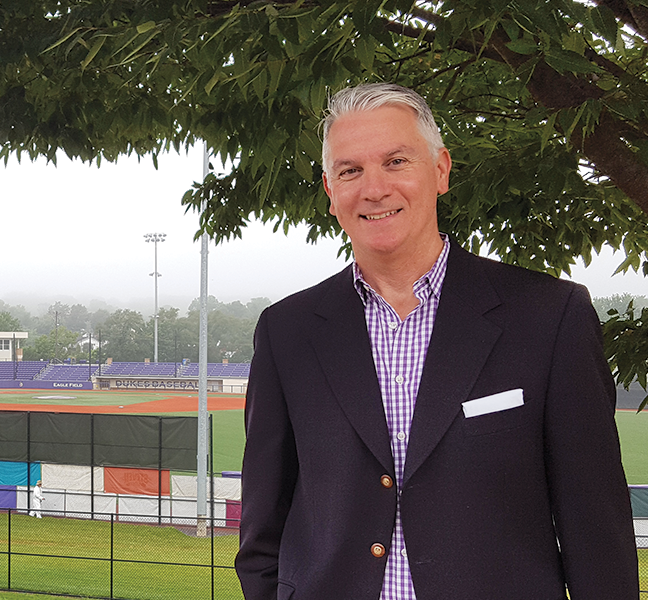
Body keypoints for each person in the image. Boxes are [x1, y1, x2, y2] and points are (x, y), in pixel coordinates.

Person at [235, 83, 637, 600]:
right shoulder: (286, 332)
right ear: (330, 190)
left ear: (441, 170)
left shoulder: (549, 317)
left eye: (396, 161)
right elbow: (262, 525)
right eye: (350, 170)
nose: (373, 188)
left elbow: (595, 527)